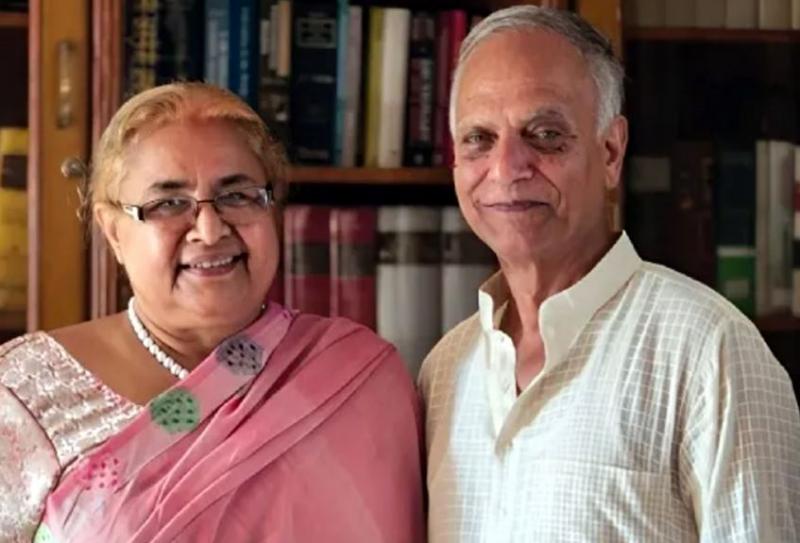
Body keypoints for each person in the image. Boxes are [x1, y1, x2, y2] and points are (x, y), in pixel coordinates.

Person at [420, 5, 800, 542]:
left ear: (611, 152)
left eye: (545, 134)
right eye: (478, 138)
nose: (506, 168)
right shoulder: (443, 372)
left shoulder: (708, 352)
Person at [0, 82, 425, 542]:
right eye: (168, 204)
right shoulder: (24, 393)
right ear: (113, 231)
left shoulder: (357, 377)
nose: (209, 229)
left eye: (237, 195)